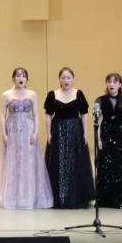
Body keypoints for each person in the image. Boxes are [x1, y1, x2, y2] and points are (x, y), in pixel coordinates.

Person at [0, 67, 53, 209]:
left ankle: (28, 196)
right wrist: (4, 133)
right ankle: (12, 197)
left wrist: (35, 132)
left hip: (28, 130)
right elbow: (2, 115)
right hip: (12, 130)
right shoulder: (6, 94)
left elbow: (36, 115)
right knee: (12, 161)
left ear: (27, 79)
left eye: (23, 76)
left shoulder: (32, 94)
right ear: (13, 78)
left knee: (28, 162)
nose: (21, 78)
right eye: (18, 76)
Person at [44, 67, 94, 209]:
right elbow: (48, 115)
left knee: (75, 162)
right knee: (58, 163)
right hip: (58, 131)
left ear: (73, 79)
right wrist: (48, 134)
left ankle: (75, 197)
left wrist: (85, 134)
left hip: (75, 131)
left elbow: (84, 114)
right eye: (63, 78)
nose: (66, 80)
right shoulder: (52, 95)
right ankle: (58, 197)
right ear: (59, 79)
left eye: (68, 78)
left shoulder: (79, 94)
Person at [94, 73, 122, 209]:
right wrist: (98, 138)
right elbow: (98, 121)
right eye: (109, 82)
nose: (111, 84)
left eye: (115, 82)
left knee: (120, 166)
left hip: (120, 135)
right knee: (104, 166)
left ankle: (121, 199)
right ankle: (105, 200)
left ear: (120, 85)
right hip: (105, 134)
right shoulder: (100, 100)